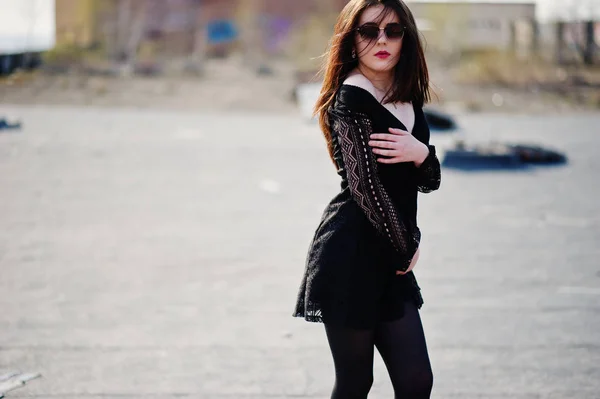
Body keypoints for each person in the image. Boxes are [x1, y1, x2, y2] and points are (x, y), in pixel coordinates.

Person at [293, 1, 441, 398]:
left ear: (406, 39)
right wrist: (406, 245)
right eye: (368, 31)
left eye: (393, 31)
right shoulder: (351, 97)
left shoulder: (409, 95)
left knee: (416, 381)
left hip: (391, 256)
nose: (382, 40)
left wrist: (421, 153)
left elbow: (428, 180)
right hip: (350, 255)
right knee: (357, 382)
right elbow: (366, 190)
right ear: (350, 38)